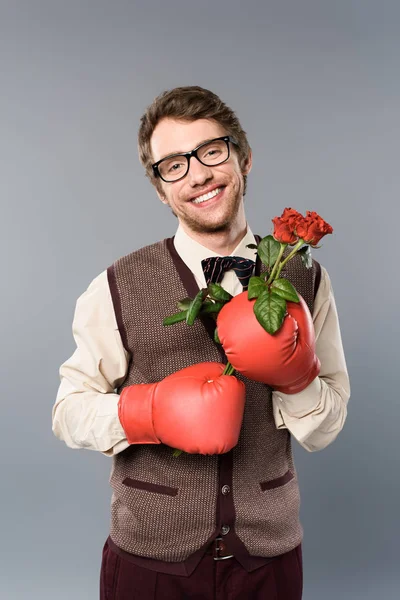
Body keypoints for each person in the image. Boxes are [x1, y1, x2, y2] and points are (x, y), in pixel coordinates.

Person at [52, 86, 350, 599]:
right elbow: (67, 411)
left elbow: (325, 428)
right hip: (151, 565)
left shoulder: (306, 280)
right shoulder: (117, 285)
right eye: (174, 165)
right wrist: (148, 412)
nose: (197, 174)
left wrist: (296, 377)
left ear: (244, 157)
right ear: (160, 189)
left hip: (268, 561)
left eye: (211, 151)